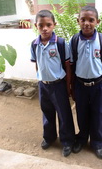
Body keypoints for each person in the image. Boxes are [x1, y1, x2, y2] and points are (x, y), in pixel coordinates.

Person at [69, 5, 102, 159]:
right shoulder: (74, 41)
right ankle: (81, 139)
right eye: (83, 20)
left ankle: (97, 143)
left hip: (98, 85)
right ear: (78, 21)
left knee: (98, 114)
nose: (87, 23)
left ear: (97, 22)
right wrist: (72, 87)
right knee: (81, 114)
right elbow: (71, 65)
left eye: (91, 20)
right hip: (80, 85)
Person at [30, 10, 75, 157]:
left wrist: (68, 86)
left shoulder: (61, 43)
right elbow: (37, 63)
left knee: (64, 114)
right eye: (41, 25)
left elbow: (68, 66)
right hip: (43, 85)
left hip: (58, 85)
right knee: (47, 113)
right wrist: (40, 78)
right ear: (36, 25)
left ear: (54, 25)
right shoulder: (34, 44)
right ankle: (49, 138)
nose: (45, 28)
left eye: (48, 25)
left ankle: (67, 141)